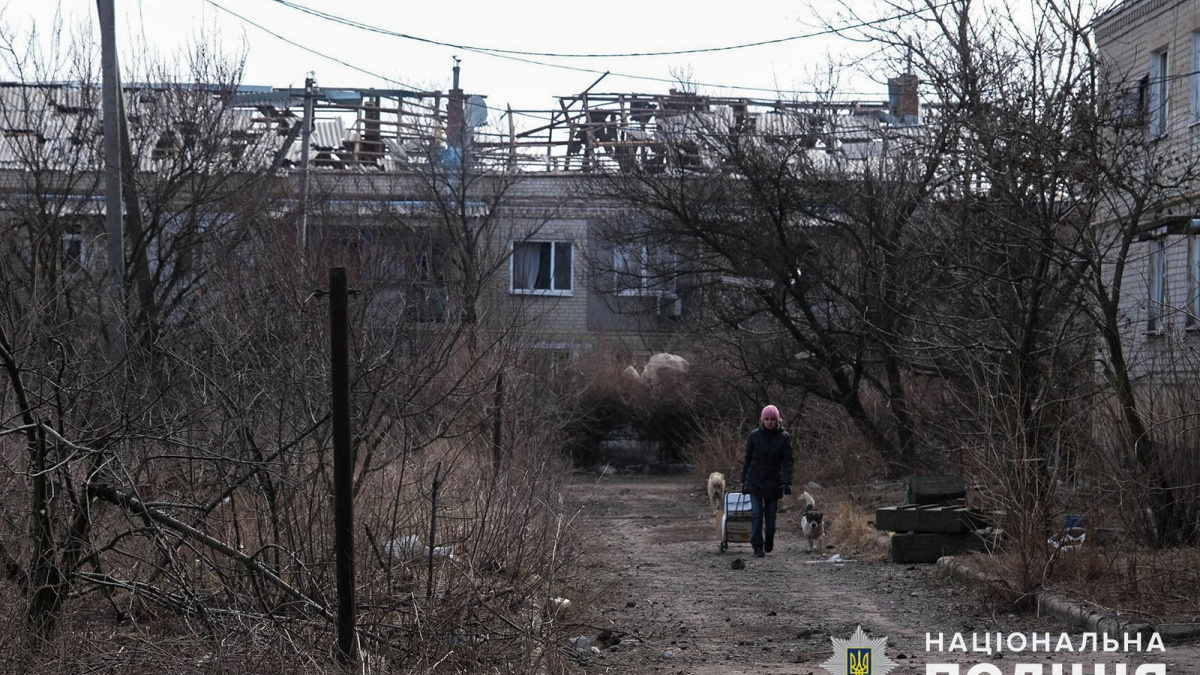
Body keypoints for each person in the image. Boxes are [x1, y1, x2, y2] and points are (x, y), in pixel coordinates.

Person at [741, 404, 794, 557]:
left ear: (777, 420)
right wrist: (743, 481)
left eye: (772, 419)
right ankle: (757, 545)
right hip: (755, 480)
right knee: (757, 514)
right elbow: (748, 460)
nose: (770, 422)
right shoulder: (754, 436)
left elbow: (788, 461)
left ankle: (769, 537)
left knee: (770, 518)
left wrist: (787, 482)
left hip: (773, 482)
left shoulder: (784, 437)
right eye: (767, 419)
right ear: (762, 420)